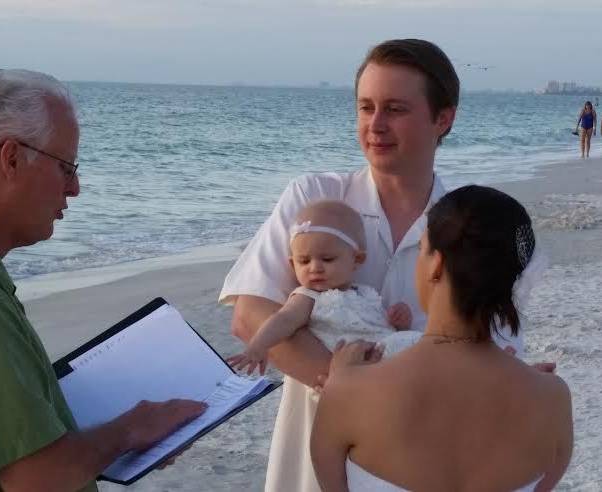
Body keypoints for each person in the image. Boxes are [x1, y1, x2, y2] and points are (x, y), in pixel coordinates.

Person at [0, 69, 206, 492]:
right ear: (10, 158)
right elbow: (37, 478)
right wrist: (131, 429)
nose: (75, 188)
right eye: (66, 168)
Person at [218, 38, 527, 492]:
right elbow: (252, 316)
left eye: (396, 109)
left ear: (444, 118)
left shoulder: (475, 221)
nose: (375, 125)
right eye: (366, 108)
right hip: (315, 444)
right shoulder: (315, 199)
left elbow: (496, 349)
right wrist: (360, 399)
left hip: (426, 449)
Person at [310, 185, 573, 491]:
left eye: (422, 249)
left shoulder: (349, 391)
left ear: (436, 264)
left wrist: (340, 379)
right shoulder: (552, 398)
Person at [227, 200, 409, 377]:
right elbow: (283, 320)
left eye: (327, 259)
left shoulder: (366, 293)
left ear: (357, 260)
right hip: (357, 366)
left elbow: (381, 328)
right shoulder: (308, 297)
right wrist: (258, 345)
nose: (315, 268)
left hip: (384, 357)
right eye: (304, 261)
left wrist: (399, 321)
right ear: (292, 264)